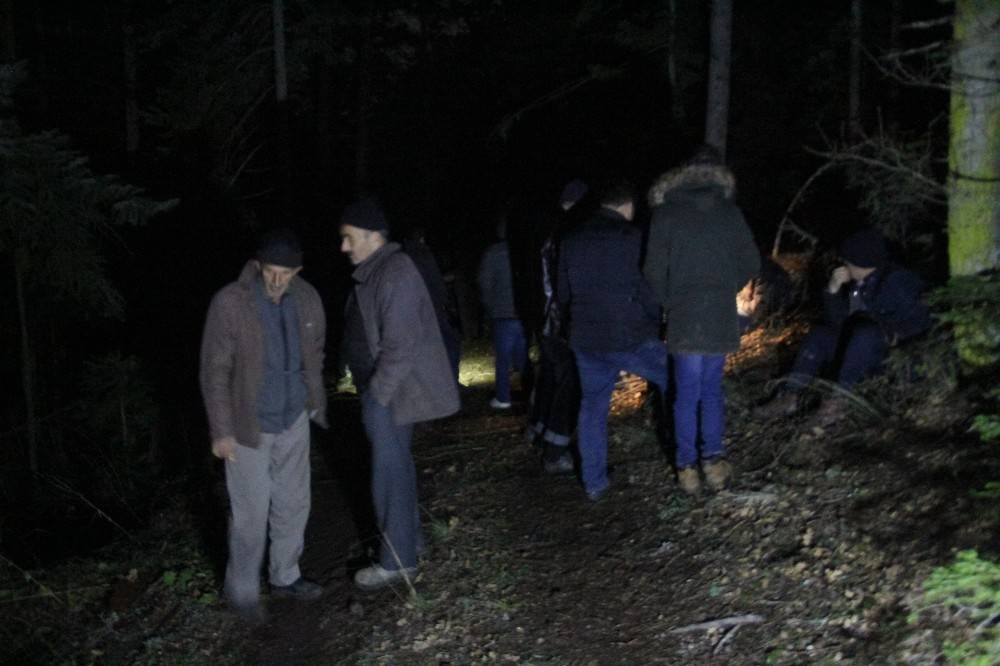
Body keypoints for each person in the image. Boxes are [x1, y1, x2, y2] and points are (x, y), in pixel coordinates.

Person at [199, 228, 328, 622]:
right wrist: (221, 431)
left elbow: (316, 350)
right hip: (247, 426)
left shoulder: (307, 298)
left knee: (294, 503)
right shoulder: (230, 302)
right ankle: (242, 591)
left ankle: (286, 575)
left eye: (285, 273)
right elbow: (214, 370)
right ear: (258, 265)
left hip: (293, 420)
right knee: (251, 514)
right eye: (271, 270)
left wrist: (312, 401)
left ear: (298, 271)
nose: (277, 280)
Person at [339, 197, 460, 590]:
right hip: (381, 391)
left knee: (387, 473)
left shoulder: (395, 270)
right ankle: (410, 543)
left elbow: (401, 344)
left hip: (390, 395)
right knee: (396, 469)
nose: (344, 246)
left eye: (349, 238)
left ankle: (396, 562)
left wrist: (378, 394)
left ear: (374, 236)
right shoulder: (376, 271)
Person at [644, 146, 761, 496]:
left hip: (684, 314)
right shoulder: (729, 212)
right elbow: (752, 261)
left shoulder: (665, 213)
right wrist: (725, 287)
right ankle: (712, 460)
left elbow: (651, 270)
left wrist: (672, 299)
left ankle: (686, 468)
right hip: (718, 313)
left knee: (686, 393)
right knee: (711, 390)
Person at [558, 180, 668, 501]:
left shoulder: (572, 240)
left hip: (586, 338)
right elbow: (646, 288)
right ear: (627, 206)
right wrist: (655, 321)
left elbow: (564, 292)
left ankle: (594, 482)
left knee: (592, 407)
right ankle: (682, 454)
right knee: (676, 379)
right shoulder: (631, 238)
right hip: (629, 335)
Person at [757, 227, 930, 423]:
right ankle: (790, 395)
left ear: (859, 260)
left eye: (846, 260)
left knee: (866, 334)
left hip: (890, 360)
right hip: (859, 353)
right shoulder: (858, 284)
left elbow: (919, 325)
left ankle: (840, 401)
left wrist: (888, 335)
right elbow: (837, 324)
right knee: (820, 335)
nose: (842, 264)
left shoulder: (898, 281)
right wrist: (832, 290)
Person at [527, 179, 589, 474]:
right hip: (561, 323)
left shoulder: (549, 231)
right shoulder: (569, 234)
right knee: (570, 383)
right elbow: (565, 286)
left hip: (546, 321)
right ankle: (555, 450)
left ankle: (540, 433)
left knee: (552, 378)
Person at [477, 214, 530, 409]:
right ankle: (530, 394)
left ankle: (503, 397)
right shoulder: (525, 250)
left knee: (503, 358)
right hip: (522, 313)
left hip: (502, 313)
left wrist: (490, 307)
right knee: (523, 357)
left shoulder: (493, 253)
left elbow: (484, 282)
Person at [402, 226, 462, 384]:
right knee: (451, 344)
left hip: (414, 314)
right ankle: (451, 382)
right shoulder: (423, 254)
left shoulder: (403, 258)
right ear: (422, 238)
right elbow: (436, 283)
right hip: (432, 310)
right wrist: (445, 302)